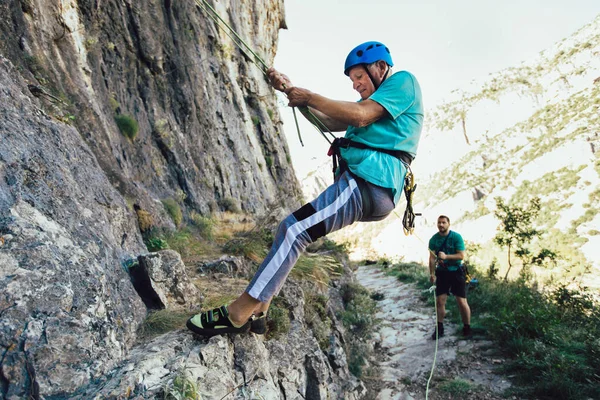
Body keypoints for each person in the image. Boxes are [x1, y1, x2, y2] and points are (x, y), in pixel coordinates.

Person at [187, 41, 424, 337]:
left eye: (359, 77)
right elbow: (328, 119)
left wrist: (309, 95)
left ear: (380, 67)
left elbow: (359, 114)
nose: (355, 85)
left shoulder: (403, 82)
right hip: (366, 184)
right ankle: (259, 311)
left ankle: (237, 314)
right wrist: (291, 92)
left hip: (369, 181)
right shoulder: (376, 105)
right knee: (291, 230)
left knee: (294, 230)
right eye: (352, 81)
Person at [428, 215, 471, 339]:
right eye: (439, 222)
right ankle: (439, 329)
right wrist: (432, 274)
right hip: (442, 273)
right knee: (440, 301)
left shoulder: (456, 237)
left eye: (443, 222)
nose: (441, 225)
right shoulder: (433, 240)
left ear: (448, 224)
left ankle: (467, 328)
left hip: (457, 271)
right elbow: (431, 258)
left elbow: (461, 255)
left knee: (461, 301)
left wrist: (446, 257)